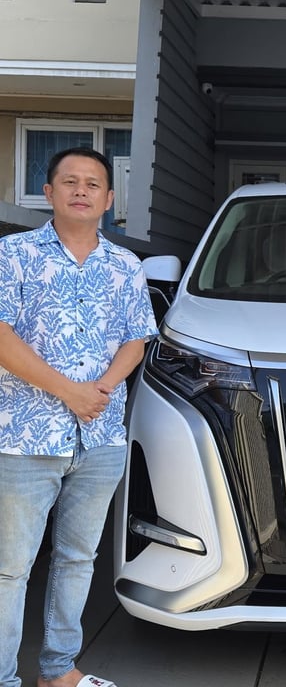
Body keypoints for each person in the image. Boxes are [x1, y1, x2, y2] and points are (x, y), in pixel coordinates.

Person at [0, 148, 158, 687]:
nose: (81, 190)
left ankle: (58, 671)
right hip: (25, 436)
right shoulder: (14, 253)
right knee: (10, 568)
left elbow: (136, 339)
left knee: (77, 560)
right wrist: (71, 393)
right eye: (70, 181)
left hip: (100, 437)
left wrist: (102, 390)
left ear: (109, 199)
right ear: (48, 193)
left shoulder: (125, 265)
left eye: (93, 184)